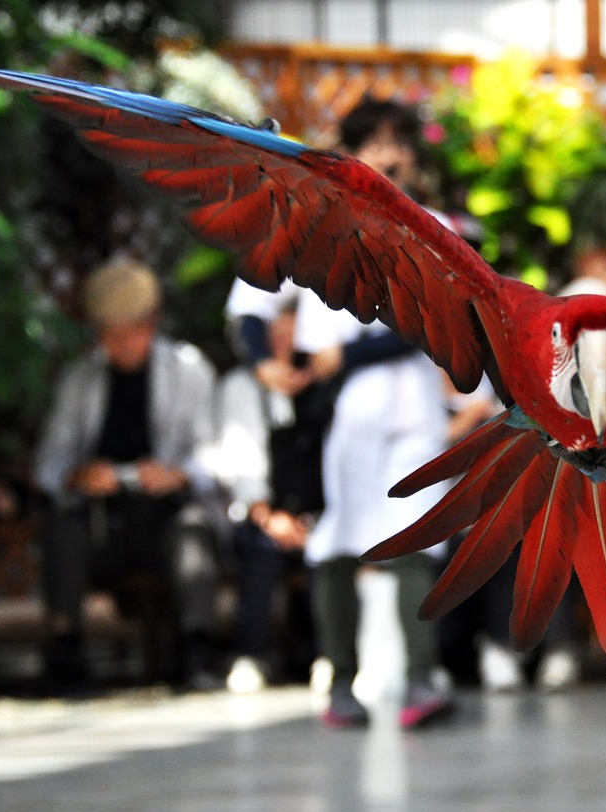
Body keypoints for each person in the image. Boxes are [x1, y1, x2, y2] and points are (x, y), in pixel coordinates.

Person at [296, 95, 456, 729]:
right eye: (374, 142)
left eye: (400, 142)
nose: (390, 155)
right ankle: (339, 681)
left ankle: (421, 677)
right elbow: (317, 343)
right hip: (355, 411)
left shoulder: (435, 226)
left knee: (418, 532)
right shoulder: (325, 227)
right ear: (353, 153)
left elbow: (436, 321)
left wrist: (358, 348)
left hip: (417, 402)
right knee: (340, 535)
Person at [35, 258, 220, 688]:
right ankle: (65, 651)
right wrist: (78, 476)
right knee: (64, 527)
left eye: (128, 332)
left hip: (164, 517)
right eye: (108, 334)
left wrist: (177, 475)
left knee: (192, 531)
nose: (117, 344)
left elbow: (215, 455)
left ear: (152, 324)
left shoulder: (189, 370)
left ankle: (197, 648)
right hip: (103, 525)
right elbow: (48, 465)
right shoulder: (80, 379)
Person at [214, 298, 321, 693]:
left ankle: (323, 654)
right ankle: (251, 654)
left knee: (328, 550)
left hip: (315, 511)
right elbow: (240, 461)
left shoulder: (325, 384)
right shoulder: (242, 388)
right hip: (263, 512)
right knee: (260, 549)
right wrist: (266, 513)